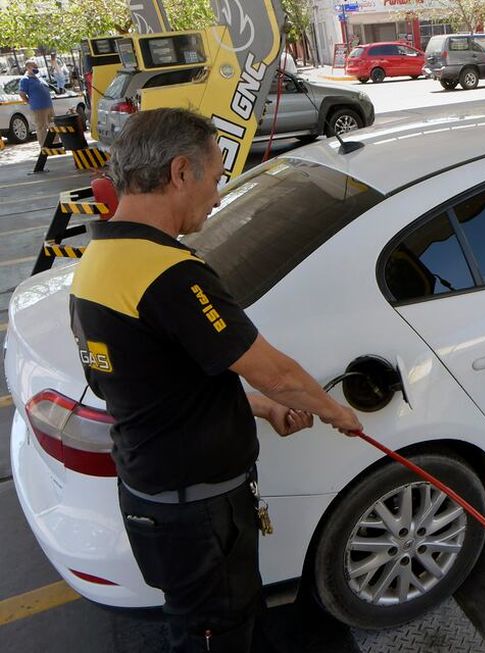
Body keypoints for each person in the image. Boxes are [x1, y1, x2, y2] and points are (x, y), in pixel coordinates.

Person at [68, 108, 363, 652]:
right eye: (216, 174)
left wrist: (259, 407)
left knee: (211, 620)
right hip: (196, 514)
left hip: (159, 500)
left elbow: (160, 384)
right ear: (181, 172)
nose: (219, 193)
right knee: (215, 635)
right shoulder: (169, 274)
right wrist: (337, 413)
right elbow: (276, 371)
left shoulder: (99, 261)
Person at [18, 61, 54, 146]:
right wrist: (30, 102)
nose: (36, 68)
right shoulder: (25, 79)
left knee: (53, 125)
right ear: (28, 67)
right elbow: (22, 94)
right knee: (41, 127)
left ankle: (55, 144)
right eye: (34, 66)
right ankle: (44, 146)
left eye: (37, 66)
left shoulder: (38, 78)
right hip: (38, 108)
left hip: (49, 106)